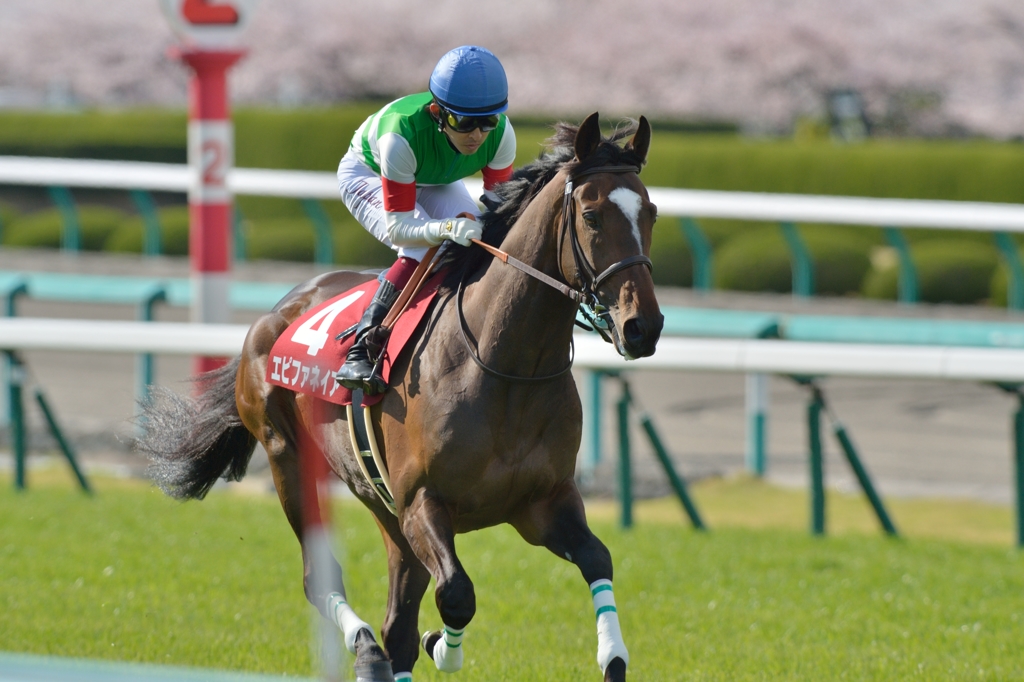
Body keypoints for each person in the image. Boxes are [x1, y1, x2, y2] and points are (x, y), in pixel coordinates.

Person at [334, 45, 516, 395]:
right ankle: (362, 348)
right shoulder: (400, 136)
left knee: (481, 241)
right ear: (437, 112)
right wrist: (445, 228)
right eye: (464, 122)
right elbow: (399, 228)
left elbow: (499, 214)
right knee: (419, 248)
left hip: (435, 179)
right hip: (369, 174)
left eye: (488, 121)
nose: (477, 135)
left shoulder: (502, 135)